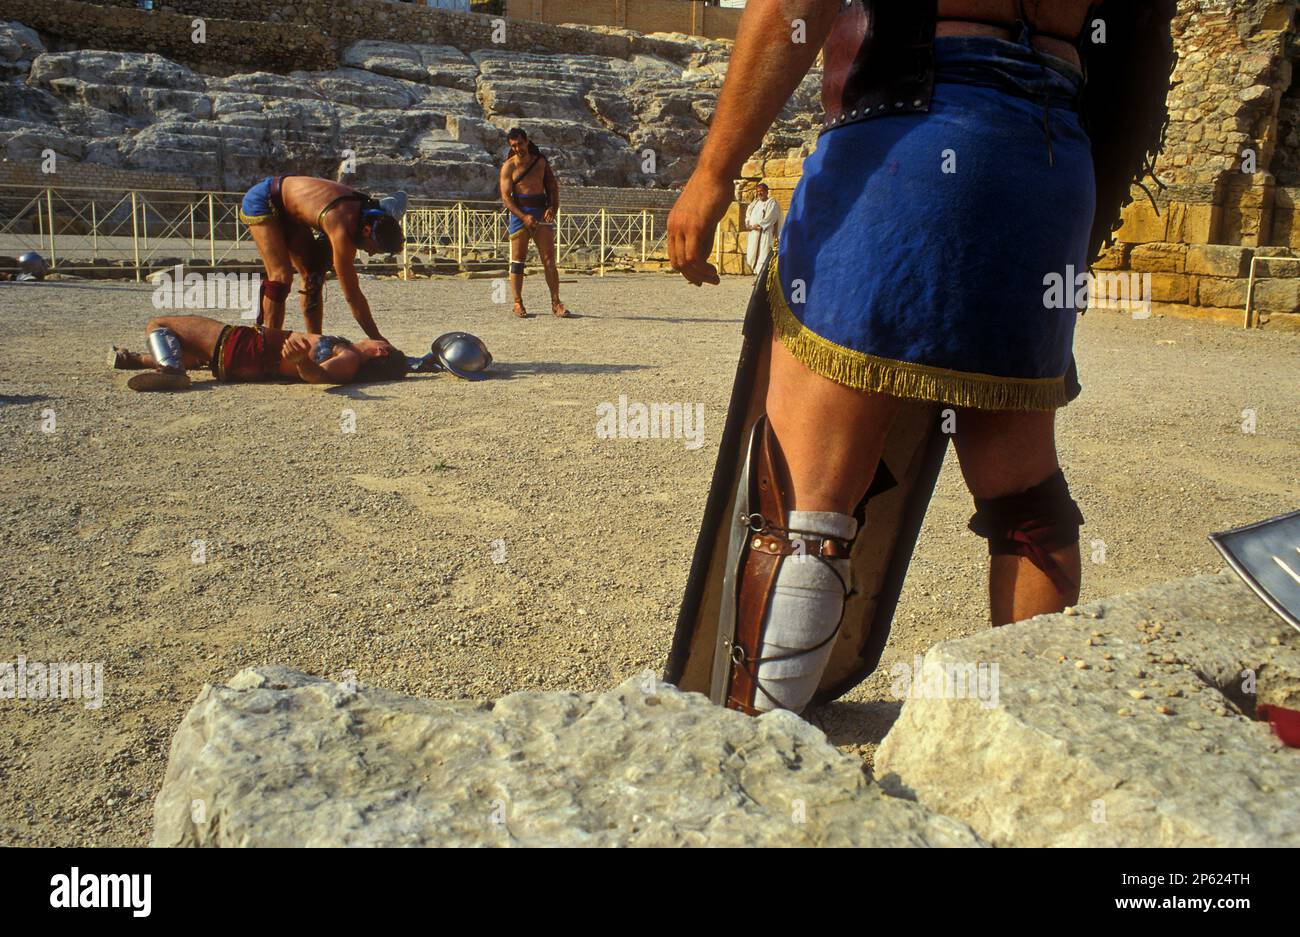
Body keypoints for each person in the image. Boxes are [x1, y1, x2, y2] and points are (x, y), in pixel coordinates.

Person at [667, 0, 1174, 715]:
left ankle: (760, 750)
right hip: (1051, 159)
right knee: (1025, 493)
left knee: (803, 503)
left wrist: (714, 169)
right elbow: (1140, 49)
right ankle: (1038, 724)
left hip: (908, 142)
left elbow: (793, 6)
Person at [239, 175, 407, 339]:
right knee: (281, 277)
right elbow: (353, 296)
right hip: (264, 199)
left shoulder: (368, 215)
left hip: (290, 209)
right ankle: (267, 346)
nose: (369, 253)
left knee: (313, 278)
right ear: (367, 231)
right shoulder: (342, 228)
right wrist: (377, 337)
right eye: (372, 249)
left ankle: (315, 341)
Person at [110, 315, 407, 391]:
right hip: (245, 361)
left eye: (383, 342)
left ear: (380, 353)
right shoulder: (352, 355)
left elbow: (322, 377)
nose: (375, 339)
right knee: (192, 351)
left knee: (160, 324)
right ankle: (133, 359)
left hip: (248, 348)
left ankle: (171, 372)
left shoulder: (351, 358)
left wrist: (301, 360)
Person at [499, 128, 569, 318]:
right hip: (519, 215)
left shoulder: (540, 163)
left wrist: (552, 208)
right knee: (517, 262)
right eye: (513, 145)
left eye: (520, 143)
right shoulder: (509, 167)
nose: (518, 148)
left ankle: (556, 302)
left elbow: (553, 188)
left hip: (540, 214)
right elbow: (506, 198)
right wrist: (523, 217)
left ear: (527, 141)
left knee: (549, 260)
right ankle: (517, 303)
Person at [743, 182, 781, 276]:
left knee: (763, 255)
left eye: (762, 191)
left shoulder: (772, 203)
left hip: (765, 233)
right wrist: (748, 223)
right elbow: (748, 214)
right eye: (758, 191)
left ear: (766, 192)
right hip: (753, 234)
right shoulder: (755, 203)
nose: (760, 193)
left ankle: (761, 278)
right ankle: (757, 275)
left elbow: (771, 217)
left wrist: (759, 225)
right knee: (752, 254)